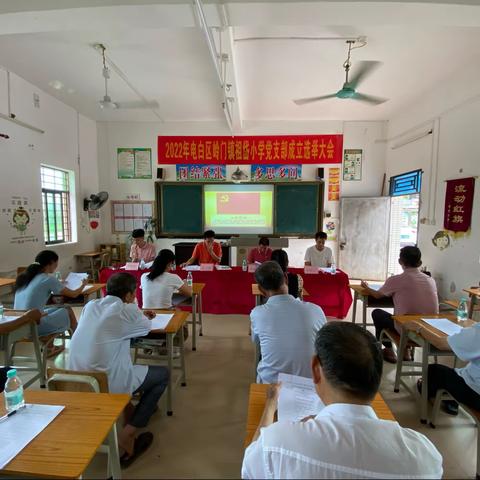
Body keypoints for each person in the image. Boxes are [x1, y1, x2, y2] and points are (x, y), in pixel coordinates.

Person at [242, 322, 443, 479]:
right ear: (377, 376)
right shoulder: (425, 456)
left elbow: (250, 467)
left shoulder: (277, 443)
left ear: (316, 369)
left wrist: (270, 406)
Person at [68, 273, 169, 467]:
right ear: (131, 295)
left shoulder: (91, 306)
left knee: (124, 361)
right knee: (162, 375)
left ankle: (135, 410)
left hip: (76, 381)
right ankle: (127, 434)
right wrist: (137, 311)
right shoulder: (125, 311)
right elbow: (146, 326)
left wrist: (136, 311)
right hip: (107, 382)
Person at [250, 261, 326, 383]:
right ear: (286, 278)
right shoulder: (316, 310)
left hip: (273, 384)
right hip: (311, 384)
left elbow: (256, 341)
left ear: (261, 290)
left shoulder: (257, 313)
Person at [361, 246, 438, 364]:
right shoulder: (430, 280)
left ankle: (388, 350)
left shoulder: (396, 280)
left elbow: (377, 295)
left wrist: (366, 287)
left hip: (407, 329)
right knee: (402, 313)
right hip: (430, 330)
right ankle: (406, 351)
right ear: (420, 262)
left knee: (377, 313)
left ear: (400, 261)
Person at [406, 318, 480, 416]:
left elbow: (440, 343)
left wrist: (419, 328)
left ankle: (437, 397)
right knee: (457, 372)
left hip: (476, 392)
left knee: (434, 370)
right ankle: (450, 401)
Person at [14, 250, 86, 343]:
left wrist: (59, 284)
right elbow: (74, 294)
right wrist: (83, 284)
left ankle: (50, 342)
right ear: (51, 263)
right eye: (56, 262)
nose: (56, 265)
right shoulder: (48, 279)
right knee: (67, 311)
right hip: (34, 325)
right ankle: (77, 341)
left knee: (61, 308)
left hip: (19, 324)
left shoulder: (25, 277)